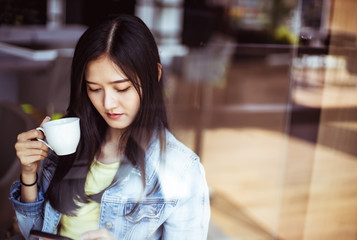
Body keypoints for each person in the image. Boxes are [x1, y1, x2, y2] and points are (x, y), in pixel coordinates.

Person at [10, 15, 210, 240]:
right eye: (95, 89)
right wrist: (29, 174)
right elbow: (33, 234)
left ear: (155, 75)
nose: (108, 104)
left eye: (122, 88)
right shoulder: (66, 145)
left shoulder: (181, 169)